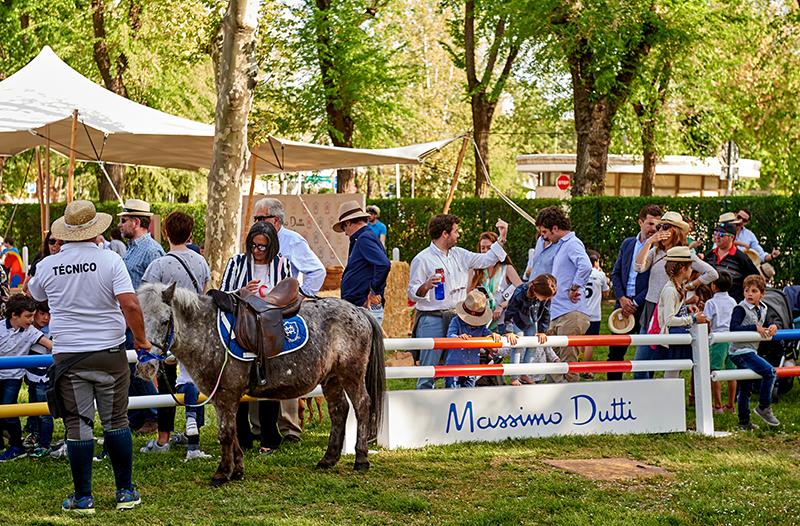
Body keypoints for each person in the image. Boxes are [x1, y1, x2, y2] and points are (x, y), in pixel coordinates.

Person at [29, 200, 150, 512]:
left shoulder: (47, 265)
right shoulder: (110, 260)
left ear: (65, 232)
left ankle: (83, 497)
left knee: (78, 426)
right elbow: (131, 305)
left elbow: (36, 294)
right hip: (109, 353)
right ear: (95, 229)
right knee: (116, 421)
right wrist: (141, 340)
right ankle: (125, 491)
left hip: (69, 355)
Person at [251, 198, 326, 441]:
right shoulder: (254, 240)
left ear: (276, 220)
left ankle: (290, 427)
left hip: (283, 312)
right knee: (256, 364)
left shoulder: (292, 241)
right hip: (257, 311)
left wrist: (302, 296)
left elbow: (317, 270)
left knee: (285, 364)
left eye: (260, 218)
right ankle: (258, 426)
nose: (256, 223)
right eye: (255, 219)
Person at [407, 214, 509, 389]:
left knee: (459, 368)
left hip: (459, 317)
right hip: (433, 318)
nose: (458, 234)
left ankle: (454, 407)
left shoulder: (460, 254)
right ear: (445, 234)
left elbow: (487, 260)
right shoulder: (422, 259)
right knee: (429, 370)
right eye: (455, 231)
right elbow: (412, 293)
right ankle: (424, 411)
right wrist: (426, 285)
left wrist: (502, 237)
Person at [140, 211, 211, 459]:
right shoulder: (200, 262)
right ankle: (194, 436)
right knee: (193, 380)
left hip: (166, 332)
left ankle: (163, 438)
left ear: (165, 233)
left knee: (167, 385)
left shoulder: (158, 265)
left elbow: (150, 302)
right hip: (193, 331)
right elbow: (204, 293)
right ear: (191, 234)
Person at [221, 221, 288, 455]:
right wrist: (243, 292)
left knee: (270, 380)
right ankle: (242, 434)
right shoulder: (236, 263)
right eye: (254, 246)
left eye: (263, 247)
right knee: (238, 380)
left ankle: (270, 435)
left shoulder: (281, 264)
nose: (258, 251)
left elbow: (288, 293)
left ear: (272, 247)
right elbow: (223, 294)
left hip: (269, 328)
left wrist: (272, 298)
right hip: (241, 327)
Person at [633, 211, 718, 379]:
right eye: (659, 226)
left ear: (676, 230)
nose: (660, 230)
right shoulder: (655, 251)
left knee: (670, 364)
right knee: (642, 363)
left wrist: (689, 286)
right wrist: (650, 241)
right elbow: (638, 267)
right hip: (651, 310)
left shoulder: (685, 254)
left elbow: (712, 273)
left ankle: (665, 399)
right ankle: (645, 399)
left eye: (665, 226)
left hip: (671, 311)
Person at [118, 198, 164, 434]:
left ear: (136, 222)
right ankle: (137, 415)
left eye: (124, 220)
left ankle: (153, 414)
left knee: (141, 368)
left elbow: (158, 288)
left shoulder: (152, 250)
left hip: (141, 319)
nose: (121, 225)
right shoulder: (133, 248)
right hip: (128, 317)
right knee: (129, 369)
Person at [534, 206, 592, 383]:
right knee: (554, 366)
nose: (544, 236)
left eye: (546, 232)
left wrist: (575, 286)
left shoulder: (572, 244)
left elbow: (586, 265)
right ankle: (557, 406)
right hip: (557, 312)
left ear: (555, 228)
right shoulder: (559, 245)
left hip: (570, 313)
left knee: (568, 366)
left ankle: (570, 403)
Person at [608, 204, 662, 380]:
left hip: (645, 305)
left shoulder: (658, 250)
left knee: (647, 353)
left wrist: (635, 302)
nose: (653, 229)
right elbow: (616, 273)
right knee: (615, 352)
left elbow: (655, 282)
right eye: (650, 224)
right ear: (640, 222)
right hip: (622, 304)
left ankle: (645, 392)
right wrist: (622, 298)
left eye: (657, 225)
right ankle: (613, 391)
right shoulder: (628, 243)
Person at [0, 294, 52, 462]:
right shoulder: (0, 328)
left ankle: (17, 446)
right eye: (28, 316)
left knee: (9, 410)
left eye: (32, 315)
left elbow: (49, 345)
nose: (31, 320)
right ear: (14, 315)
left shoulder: (30, 331)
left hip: (13, 378)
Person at [729, 274, 781, 430]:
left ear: (762, 294)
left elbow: (766, 322)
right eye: (746, 290)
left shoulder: (763, 308)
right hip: (740, 352)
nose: (749, 294)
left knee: (745, 387)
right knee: (770, 372)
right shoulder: (740, 308)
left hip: (752, 350)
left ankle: (744, 422)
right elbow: (734, 328)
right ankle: (764, 406)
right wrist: (754, 328)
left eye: (754, 291)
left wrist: (772, 327)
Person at [651, 247, 709, 378]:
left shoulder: (677, 287)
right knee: (673, 371)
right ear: (683, 269)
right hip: (673, 337)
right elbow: (669, 320)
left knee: (676, 370)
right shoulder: (670, 290)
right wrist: (693, 319)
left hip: (678, 336)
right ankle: (669, 396)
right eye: (690, 268)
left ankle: (671, 396)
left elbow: (675, 310)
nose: (692, 270)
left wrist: (686, 309)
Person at [335, 201, 391, 325]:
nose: (345, 232)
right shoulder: (364, 237)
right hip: (361, 306)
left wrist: (374, 291)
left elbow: (384, 264)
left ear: (348, 223)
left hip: (364, 307)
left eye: (344, 227)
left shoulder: (364, 238)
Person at [504, 274, 558, 385]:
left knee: (533, 344)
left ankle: (525, 373)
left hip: (532, 321)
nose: (547, 300)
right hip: (518, 320)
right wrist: (509, 331)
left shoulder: (546, 297)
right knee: (517, 346)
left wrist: (542, 331)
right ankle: (514, 376)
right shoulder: (520, 292)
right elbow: (510, 310)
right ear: (537, 291)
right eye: (545, 297)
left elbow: (546, 313)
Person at [443, 289, 503, 388]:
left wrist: (493, 335)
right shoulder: (456, 321)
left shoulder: (481, 327)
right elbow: (450, 336)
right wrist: (458, 337)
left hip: (472, 368)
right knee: (452, 392)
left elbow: (488, 334)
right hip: (454, 368)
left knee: (469, 394)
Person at [468, 232, 523, 333]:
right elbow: (468, 293)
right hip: (480, 323)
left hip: (503, 322)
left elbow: (522, 292)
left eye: (489, 248)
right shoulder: (475, 270)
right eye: (482, 248)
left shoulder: (507, 268)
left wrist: (502, 305)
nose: (485, 251)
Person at [23, 300, 55, 457]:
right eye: (42, 314)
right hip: (32, 376)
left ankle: (44, 443)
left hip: (45, 378)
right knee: (33, 408)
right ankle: (35, 436)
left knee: (44, 412)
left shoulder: (50, 331)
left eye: (49, 314)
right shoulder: (26, 329)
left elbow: (52, 347)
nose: (45, 318)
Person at [703, 270, 738, 414]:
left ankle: (717, 405)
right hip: (733, 338)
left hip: (718, 339)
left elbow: (707, 322)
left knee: (714, 371)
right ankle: (731, 404)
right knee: (732, 373)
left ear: (714, 286)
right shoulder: (733, 301)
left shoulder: (710, 303)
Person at [704, 221, 760, 302]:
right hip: (710, 302)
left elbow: (755, 279)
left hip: (733, 304)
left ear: (732, 237)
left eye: (721, 235)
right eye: (716, 234)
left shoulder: (741, 258)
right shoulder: (709, 255)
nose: (717, 237)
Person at [580, 250, 609, 377]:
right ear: (596, 262)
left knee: (579, 341)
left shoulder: (579, 273)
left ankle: (578, 364)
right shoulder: (599, 275)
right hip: (594, 315)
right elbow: (606, 292)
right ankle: (586, 369)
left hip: (580, 312)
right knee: (589, 344)